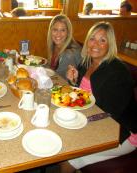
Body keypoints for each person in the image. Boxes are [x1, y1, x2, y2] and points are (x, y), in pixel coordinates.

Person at [60, 21, 137, 173]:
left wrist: (78, 125)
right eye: (92, 38)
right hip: (98, 124)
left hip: (123, 134)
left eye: (103, 40)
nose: (96, 44)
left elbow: (109, 115)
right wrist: (74, 81)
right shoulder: (87, 62)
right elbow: (83, 97)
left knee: (70, 157)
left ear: (110, 45)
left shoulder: (117, 72)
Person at [47, 14, 82, 80]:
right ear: (51, 31)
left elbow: (61, 80)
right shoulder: (55, 46)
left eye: (63, 30)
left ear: (68, 32)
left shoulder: (69, 54)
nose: (58, 34)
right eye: (55, 30)